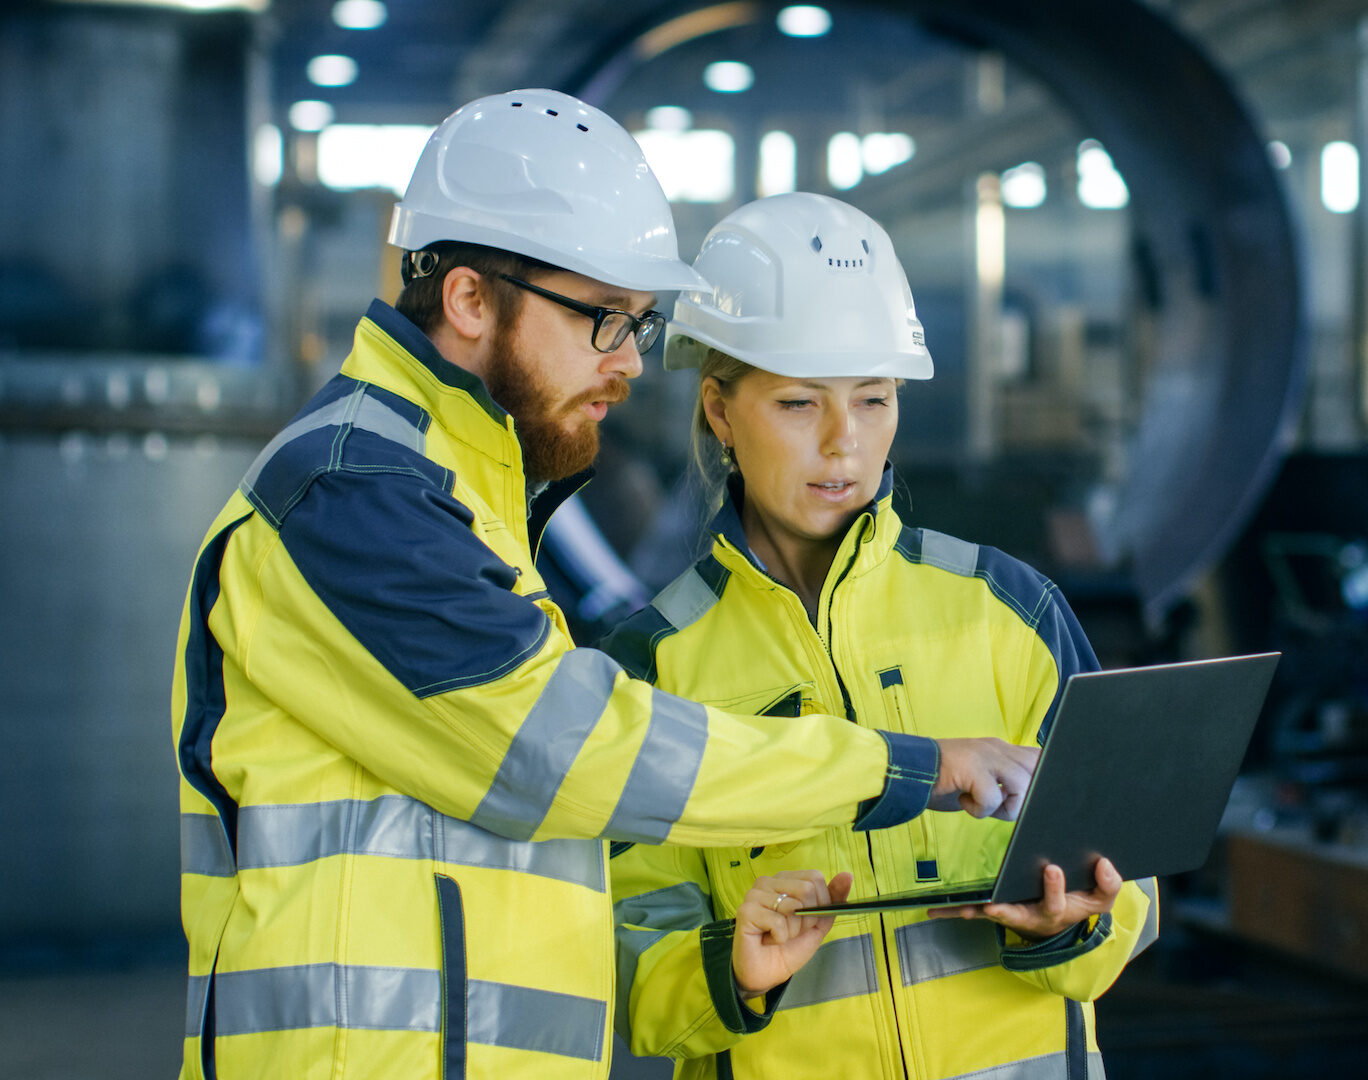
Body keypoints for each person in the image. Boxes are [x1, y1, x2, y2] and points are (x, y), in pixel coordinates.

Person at [170, 91, 1044, 1080]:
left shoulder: (460, 491)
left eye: (638, 323)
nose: (631, 362)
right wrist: (901, 767)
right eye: (604, 320)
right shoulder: (353, 491)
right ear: (468, 300)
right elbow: (565, 751)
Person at [603, 192, 1160, 1080]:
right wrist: (732, 973)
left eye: (873, 399)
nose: (844, 444)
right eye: (797, 404)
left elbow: (1133, 876)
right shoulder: (653, 666)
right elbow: (628, 962)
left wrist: (1081, 920)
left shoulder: (1010, 610)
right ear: (718, 410)